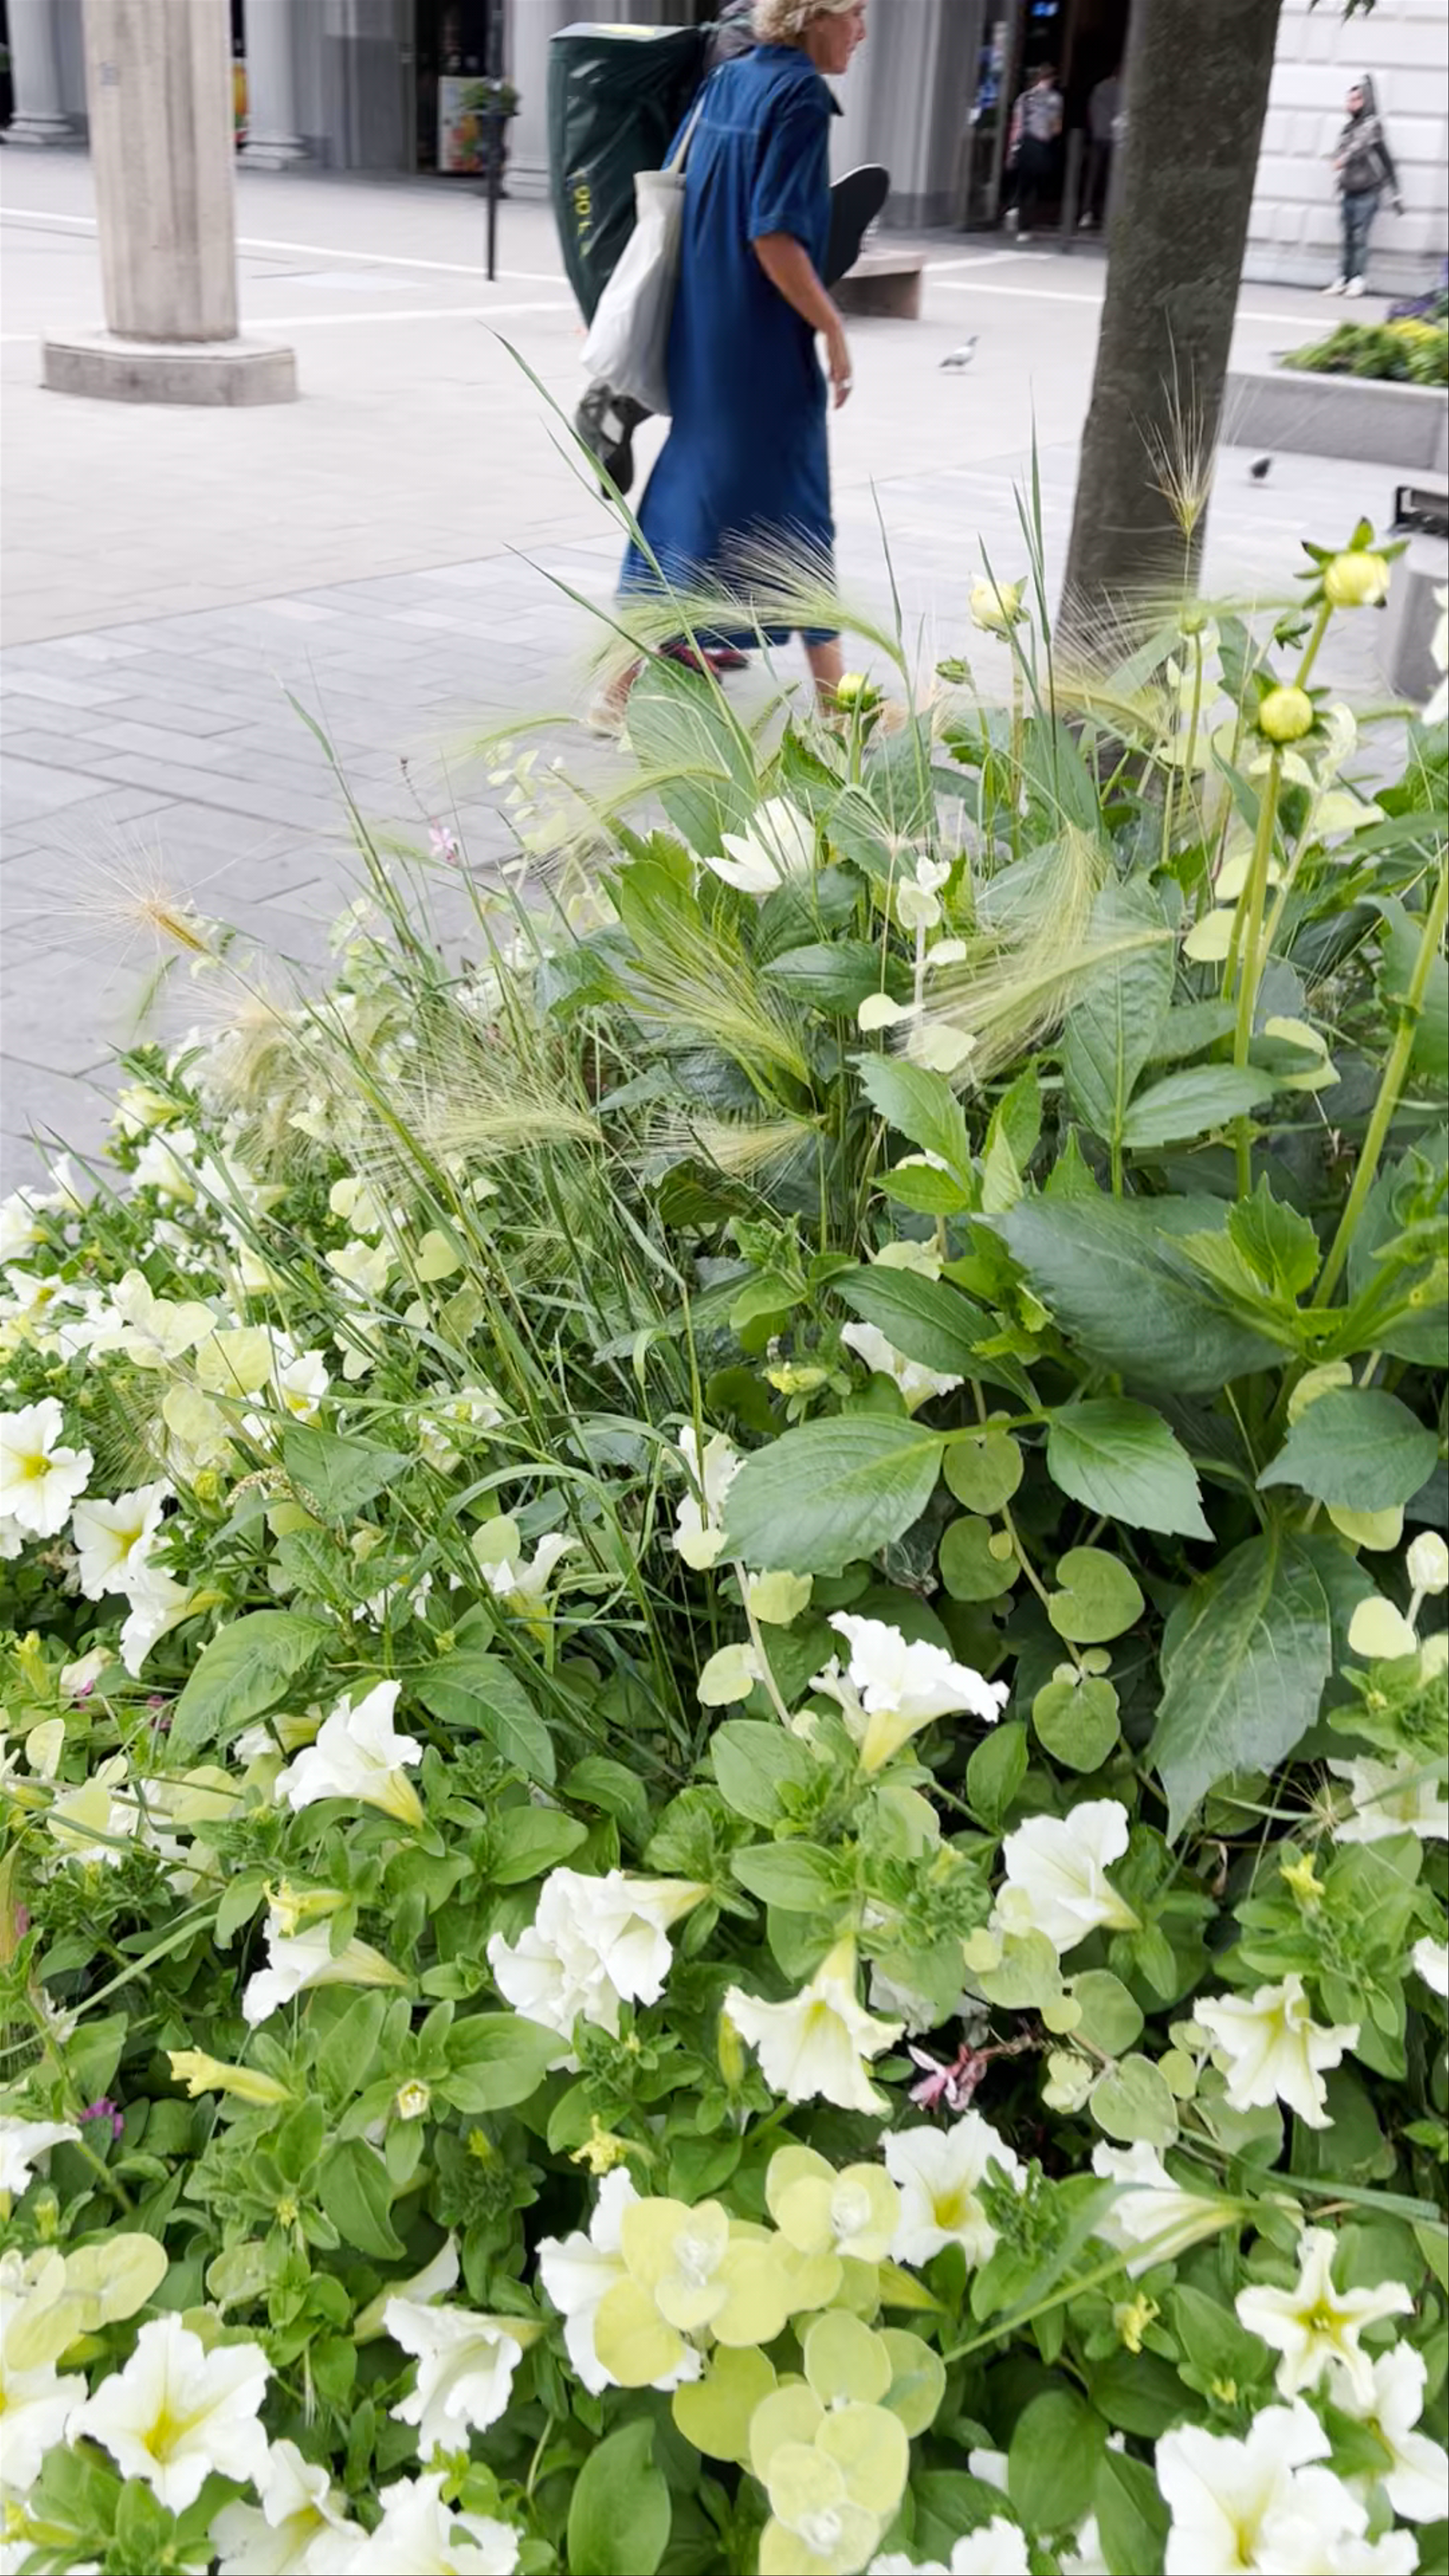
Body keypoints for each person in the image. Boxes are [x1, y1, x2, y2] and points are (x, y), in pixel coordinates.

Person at [595, 0, 868, 729]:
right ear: (815, 17)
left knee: (698, 500)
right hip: (761, 347)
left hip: (703, 335)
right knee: (795, 505)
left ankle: (617, 690)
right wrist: (832, 327)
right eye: (856, 14)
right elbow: (774, 235)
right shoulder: (800, 95)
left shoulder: (733, 78)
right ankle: (839, 706)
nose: (862, 32)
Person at [1326, 75, 1403, 298]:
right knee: (1348, 236)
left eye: (1356, 100)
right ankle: (1344, 277)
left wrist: (1342, 159)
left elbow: (1359, 147)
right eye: (1349, 101)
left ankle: (1358, 279)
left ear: (1366, 102)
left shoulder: (1372, 126)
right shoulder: (1349, 128)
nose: (1350, 105)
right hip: (1349, 189)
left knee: (1360, 236)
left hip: (1367, 191)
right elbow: (1341, 150)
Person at [1006, 60, 1062, 244]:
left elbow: (1017, 126)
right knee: (1038, 184)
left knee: (1024, 183)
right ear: (1052, 79)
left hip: (1024, 142)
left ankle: (1018, 214)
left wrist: (1012, 150)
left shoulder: (1024, 98)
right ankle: (1027, 222)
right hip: (1041, 144)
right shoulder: (1054, 99)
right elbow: (1056, 128)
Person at [1080, 66, 1120, 230]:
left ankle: (1087, 212)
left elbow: (1091, 112)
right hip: (1114, 137)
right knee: (1113, 178)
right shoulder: (1123, 89)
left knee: (1094, 176)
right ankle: (1108, 214)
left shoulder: (1099, 88)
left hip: (1098, 135)